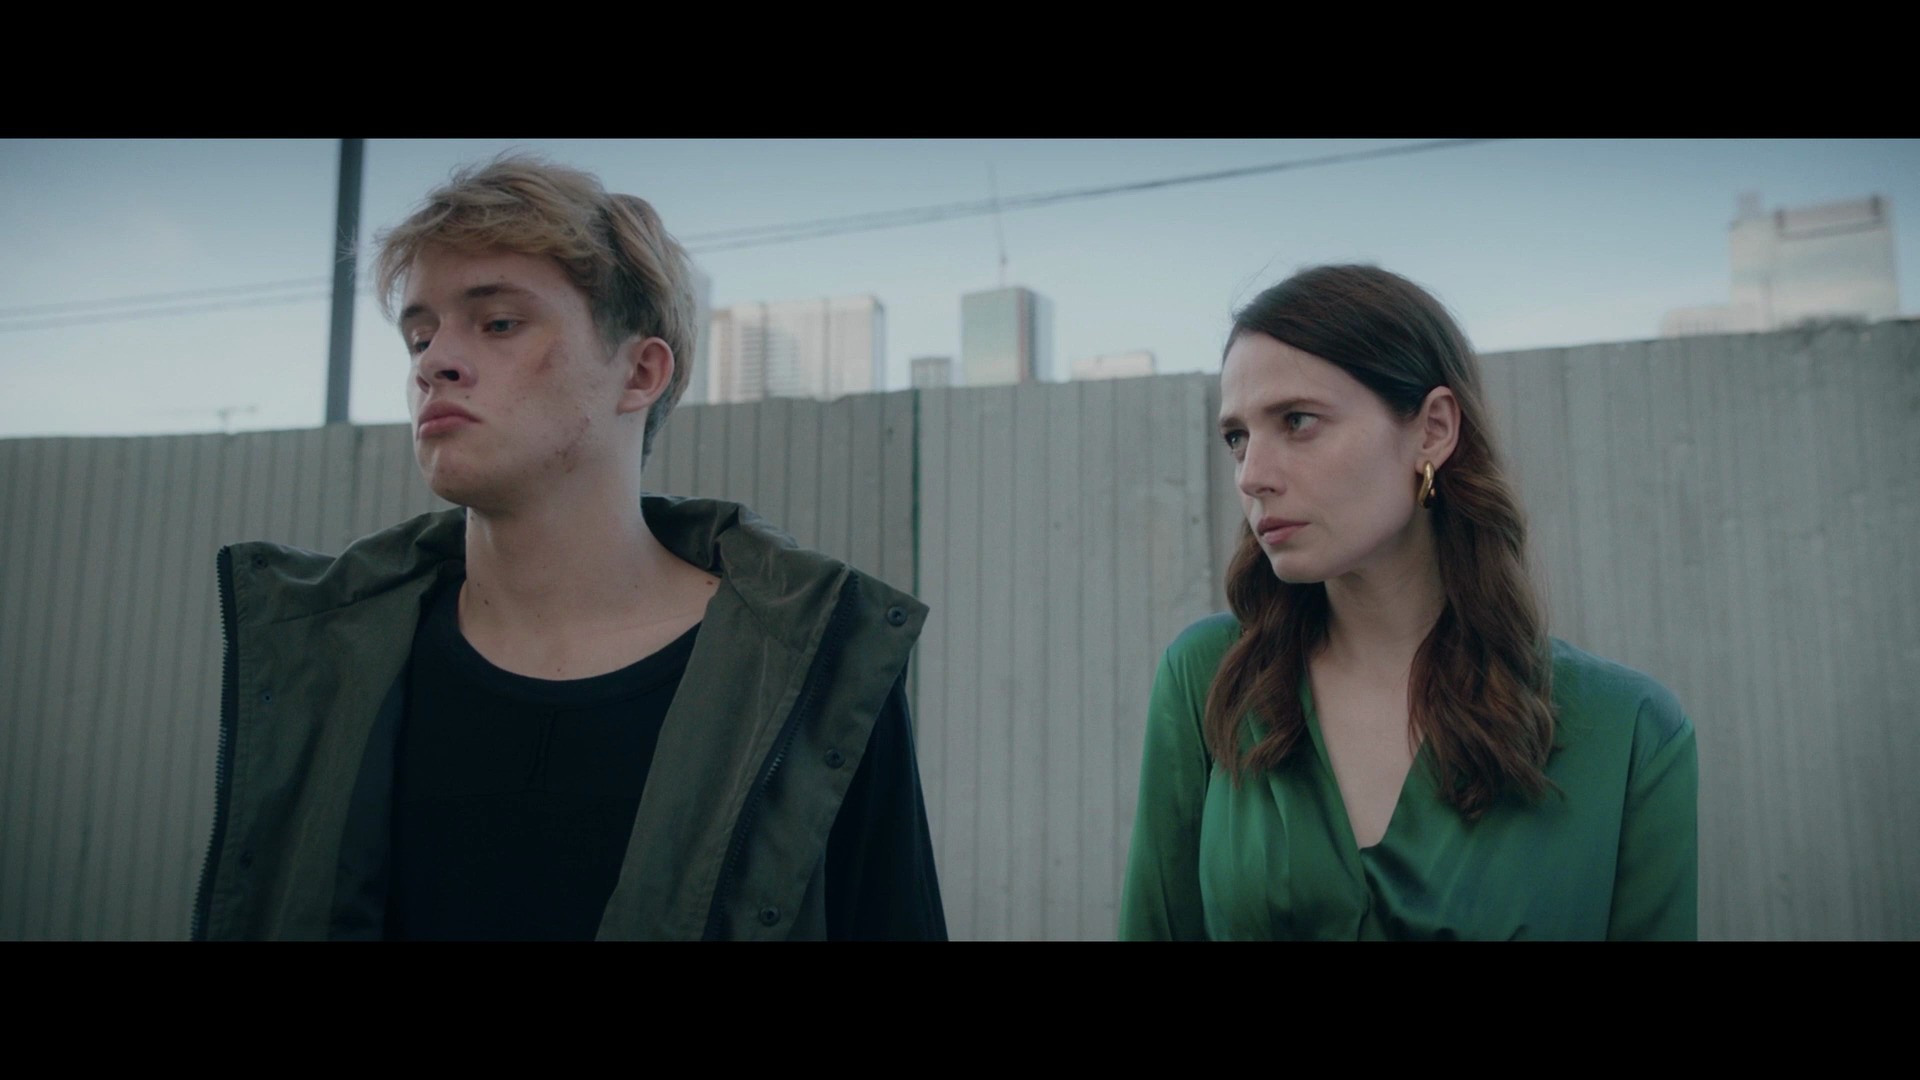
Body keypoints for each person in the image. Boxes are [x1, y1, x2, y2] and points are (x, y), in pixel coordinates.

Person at [191, 154, 946, 940]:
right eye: (419, 335)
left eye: (498, 323)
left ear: (640, 372)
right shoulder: (325, 660)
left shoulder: (808, 670)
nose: (434, 362)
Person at [1119, 264, 1696, 940]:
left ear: (1432, 430)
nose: (1252, 476)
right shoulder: (1211, 679)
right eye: (1237, 438)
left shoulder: (1629, 733)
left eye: (1297, 421)